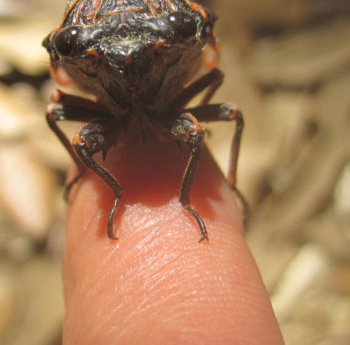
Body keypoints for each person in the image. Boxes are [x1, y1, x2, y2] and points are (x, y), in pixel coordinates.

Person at [60, 127, 284, 344]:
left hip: (163, 100)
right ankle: (113, 187)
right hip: (113, 105)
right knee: (75, 138)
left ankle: (190, 199)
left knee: (217, 122)